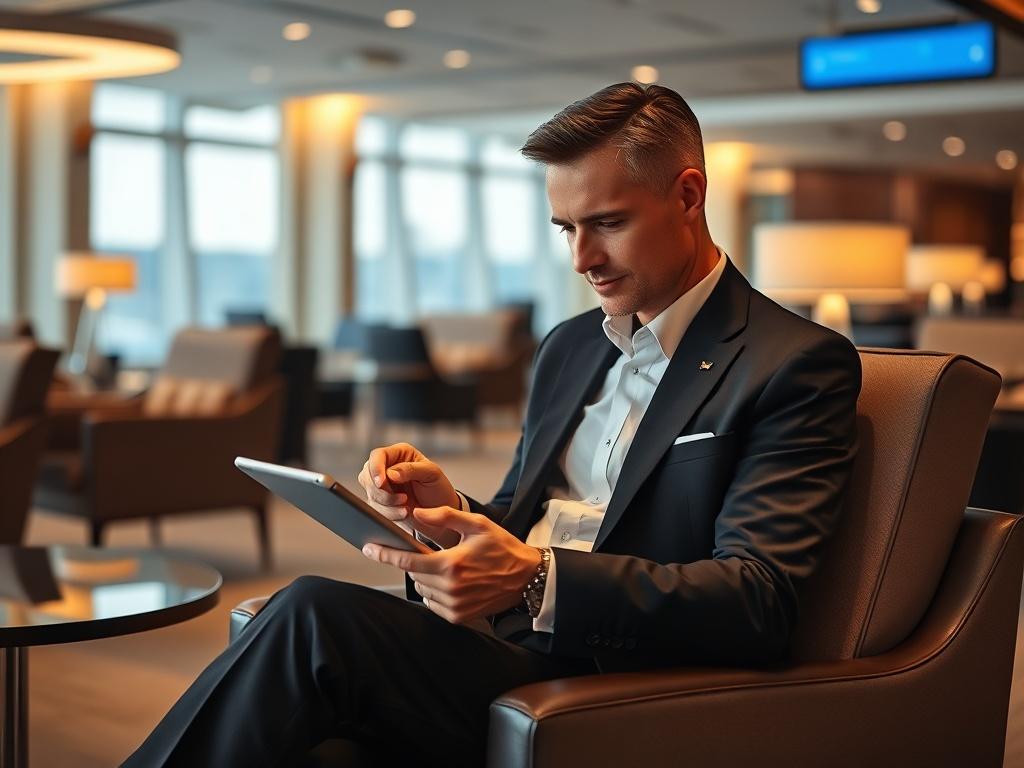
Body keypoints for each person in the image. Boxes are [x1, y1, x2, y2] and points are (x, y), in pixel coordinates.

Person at [123, 82, 861, 767]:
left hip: (610, 673)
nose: (582, 258)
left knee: (313, 614)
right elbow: (516, 525)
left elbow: (759, 598)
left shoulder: (792, 362)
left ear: (689, 195)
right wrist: (449, 515)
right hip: (495, 642)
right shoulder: (570, 346)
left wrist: (540, 582)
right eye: (566, 228)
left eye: (607, 223)